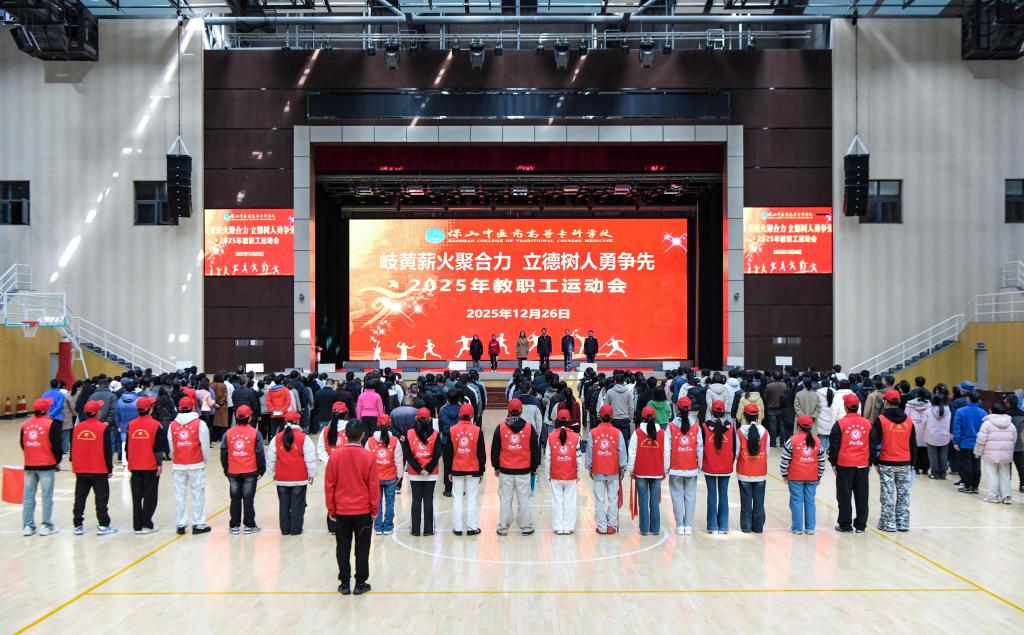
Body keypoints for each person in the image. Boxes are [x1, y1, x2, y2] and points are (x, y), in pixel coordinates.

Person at [325, 421, 380, 596]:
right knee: (362, 549)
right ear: (362, 435)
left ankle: (344, 583)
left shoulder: (334, 456)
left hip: (342, 511)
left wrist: (331, 509)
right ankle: (360, 583)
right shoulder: (369, 457)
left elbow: (329, 485)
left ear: (345, 434)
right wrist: (374, 509)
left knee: (342, 547)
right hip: (363, 511)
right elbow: (373, 486)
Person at [492, 399, 541, 536]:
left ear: (508, 410)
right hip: (524, 470)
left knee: (505, 499)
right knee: (524, 499)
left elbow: (495, 449)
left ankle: (503, 527)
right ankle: (526, 527)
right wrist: (534, 468)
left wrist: (496, 466)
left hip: (505, 470)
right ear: (521, 411)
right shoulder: (529, 428)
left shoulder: (500, 428)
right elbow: (535, 450)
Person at [870, 390, 916, 533]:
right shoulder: (909, 421)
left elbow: (874, 443)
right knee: (904, 494)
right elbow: (913, 444)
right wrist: (912, 463)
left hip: (886, 462)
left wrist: (875, 461)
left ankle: (888, 523)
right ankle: (903, 523)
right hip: (905, 462)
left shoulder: (881, 420)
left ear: (886, 402)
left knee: (888, 494)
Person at [267, 406, 317, 535]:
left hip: (281, 477)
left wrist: (272, 473)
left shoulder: (276, 438)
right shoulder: (304, 438)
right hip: (299, 478)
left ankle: (285, 529)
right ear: (298, 421)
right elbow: (310, 459)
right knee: (297, 504)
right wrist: (311, 474)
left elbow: (271, 459)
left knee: (284, 504)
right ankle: (296, 529)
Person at [71, 400, 118, 535]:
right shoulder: (103, 428)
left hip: (81, 469)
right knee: (101, 498)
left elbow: (73, 448)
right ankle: (103, 524)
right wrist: (109, 468)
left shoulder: (77, 428)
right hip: (99, 468)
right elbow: (107, 450)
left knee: (80, 497)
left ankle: (78, 525)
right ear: (97, 412)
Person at [828, 393, 871, 533]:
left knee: (844, 496)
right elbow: (873, 443)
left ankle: (845, 525)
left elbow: (834, 445)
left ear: (845, 407)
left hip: (845, 464)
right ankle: (861, 525)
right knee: (862, 495)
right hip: (862, 464)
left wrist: (833, 463)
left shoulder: (840, 424)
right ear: (858, 407)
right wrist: (870, 462)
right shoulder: (867, 423)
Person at [168, 396, 211, 535]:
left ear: (179, 408)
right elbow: (205, 445)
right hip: (196, 463)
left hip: (178, 464)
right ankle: (198, 523)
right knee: (197, 494)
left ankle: (181, 524)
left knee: (179, 495)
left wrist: (175, 458)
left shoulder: (172, 425)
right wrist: (204, 461)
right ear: (193, 407)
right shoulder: (200, 424)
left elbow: (171, 446)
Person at [221, 404, 267, 535]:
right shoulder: (255, 433)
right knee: (248, 499)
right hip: (250, 471)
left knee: (235, 498)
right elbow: (259, 452)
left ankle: (234, 526)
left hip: (233, 471)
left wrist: (226, 469)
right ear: (249, 417)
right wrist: (261, 469)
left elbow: (223, 452)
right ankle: (249, 525)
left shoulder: (228, 433)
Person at [21, 398, 63, 536]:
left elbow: (22, 444)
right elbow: (56, 445)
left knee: (28, 497)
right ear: (46, 410)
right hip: (46, 465)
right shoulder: (51, 424)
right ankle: (46, 525)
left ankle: (28, 526)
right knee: (46, 496)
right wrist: (57, 461)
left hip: (29, 465)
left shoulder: (25, 424)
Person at [126, 396, 167, 534]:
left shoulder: (131, 424)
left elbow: (127, 446)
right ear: (150, 409)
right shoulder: (156, 425)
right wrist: (159, 464)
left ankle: (137, 526)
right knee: (150, 495)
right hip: (150, 465)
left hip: (135, 465)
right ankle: (147, 523)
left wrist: (130, 461)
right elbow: (158, 448)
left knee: (136, 497)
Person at [782, 415, 827, 535]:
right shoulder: (817, 441)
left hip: (795, 476)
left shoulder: (792, 440)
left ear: (798, 426)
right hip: (812, 477)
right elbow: (822, 460)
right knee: (810, 501)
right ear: (811, 427)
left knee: (796, 501)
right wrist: (819, 475)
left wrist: (784, 473)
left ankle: (797, 528)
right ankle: (810, 528)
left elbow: (785, 459)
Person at [628, 407, 669, 536]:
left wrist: (631, 469)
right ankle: (655, 529)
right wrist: (665, 469)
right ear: (655, 417)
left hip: (641, 471)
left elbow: (632, 453)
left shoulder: (637, 433)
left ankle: (644, 529)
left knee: (643, 501)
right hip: (657, 471)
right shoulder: (662, 433)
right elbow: (666, 453)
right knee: (655, 502)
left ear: (642, 417)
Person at [587, 404, 627, 535]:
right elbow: (622, 452)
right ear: (612, 417)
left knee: (600, 500)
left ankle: (602, 527)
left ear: (599, 416)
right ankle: (612, 525)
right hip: (613, 471)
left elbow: (589, 452)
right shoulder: (618, 433)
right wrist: (622, 468)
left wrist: (590, 467)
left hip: (598, 470)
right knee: (613, 499)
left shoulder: (593, 432)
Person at [449, 403, 486, 536]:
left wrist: (448, 470)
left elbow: (448, 453)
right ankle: (472, 527)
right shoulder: (477, 430)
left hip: (456, 468)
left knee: (457, 498)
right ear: (472, 416)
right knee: (472, 498)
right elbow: (481, 453)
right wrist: (481, 470)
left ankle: (458, 528)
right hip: (473, 468)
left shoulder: (452, 430)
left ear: (459, 415)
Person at [667, 397, 702, 535]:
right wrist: (700, 465)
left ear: (677, 408)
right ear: (690, 408)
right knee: (690, 497)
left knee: (676, 497)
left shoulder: (671, 426)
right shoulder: (696, 426)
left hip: (675, 467)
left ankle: (680, 525)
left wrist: (666, 466)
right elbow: (700, 447)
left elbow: (667, 449)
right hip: (691, 467)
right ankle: (688, 526)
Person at [404, 408, 441, 536]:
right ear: (430, 419)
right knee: (428, 500)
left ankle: (415, 530)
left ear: (416, 419)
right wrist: (428, 469)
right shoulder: (435, 434)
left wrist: (419, 469)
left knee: (416, 500)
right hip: (431, 474)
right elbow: (437, 455)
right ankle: (429, 530)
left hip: (415, 474)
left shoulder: (409, 433)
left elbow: (407, 454)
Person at [702, 400, 736, 534]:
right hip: (725, 466)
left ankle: (712, 526)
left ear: (711, 411)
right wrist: (730, 462)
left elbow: (701, 447)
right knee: (723, 494)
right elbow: (734, 447)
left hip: (709, 465)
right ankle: (723, 526)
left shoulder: (705, 427)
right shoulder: (731, 427)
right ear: (724, 412)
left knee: (711, 494)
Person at [545, 409, 581, 535]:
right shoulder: (576, 437)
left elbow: (548, 457)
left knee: (557, 501)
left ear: (557, 420)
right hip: (570, 474)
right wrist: (579, 474)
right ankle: (569, 527)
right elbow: (578, 458)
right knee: (570, 501)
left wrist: (548, 474)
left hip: (556, 474)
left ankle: (558, 527)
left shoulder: (550, 436)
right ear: (569, 421)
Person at [366, 415, 402, 535]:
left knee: (377, 504)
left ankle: (377, 527)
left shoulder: (370, 441)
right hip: (390, 478)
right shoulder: (395, 441)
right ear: (390, 425)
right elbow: (399, 460)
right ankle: (388, 527)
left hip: (375, 478)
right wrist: (399, 476)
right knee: (390, 504)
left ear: (377, 425)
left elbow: (366, 461)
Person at [736, 403, 768, 534]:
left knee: (746, 501)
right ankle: (758, 527)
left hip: (744, 471)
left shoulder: (740, 432)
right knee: (759, 501)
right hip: (760, 471)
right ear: (758, 415)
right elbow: (767, 451)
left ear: (744, 415)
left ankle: (746, 527)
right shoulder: (765, 431)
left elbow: (737, 452)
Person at [974, 408, 1017, 504]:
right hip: (1006, 454)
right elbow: (1014, 439)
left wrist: (978, 452)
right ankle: (1006, 497)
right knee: (1005, 474)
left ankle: (992, 496)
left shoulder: (987, 424)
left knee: (992, 474)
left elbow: (981, 440)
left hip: (990, 454)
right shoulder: (1010, 424)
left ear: (991, 411)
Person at [952, 392, 986, 494]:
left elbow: (957, 427)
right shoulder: (983, 413)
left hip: (965, 442)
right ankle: (975, 487)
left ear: (968, 398)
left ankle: (968, 486)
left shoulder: (960, 411)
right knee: (977, 464)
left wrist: (956, 441)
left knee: (966, 465)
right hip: (978, 443)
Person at [922, 392, 952, 480]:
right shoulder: (948, 410)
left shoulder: (928, 411)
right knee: (943, 456)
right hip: (944, 436)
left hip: (931, 436)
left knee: (933, 456)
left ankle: (935, 474)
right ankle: (943, 474)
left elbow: (923, 423)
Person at [904, 389, 932, 474]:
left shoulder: (909, 404)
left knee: (914, 449)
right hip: (926, 429)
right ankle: (925, 469)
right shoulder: (929, 405)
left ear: (916, 395)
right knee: (925, 450)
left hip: (913, 429)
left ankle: (915, 468)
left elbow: (906, 418)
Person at [1006, 395, 1024, 494]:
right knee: (1021, 467)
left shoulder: (1006, 415)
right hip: (1020, 445)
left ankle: (1006, 485)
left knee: (1006, 467)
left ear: (1009, 403)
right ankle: (1023, 485)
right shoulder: (1022, 414)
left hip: (1008, 445)